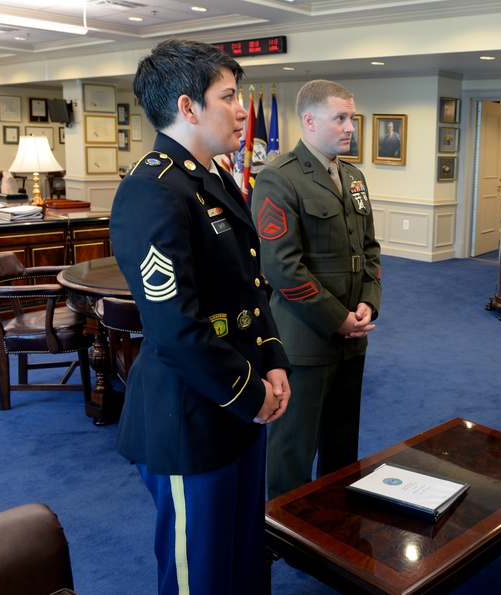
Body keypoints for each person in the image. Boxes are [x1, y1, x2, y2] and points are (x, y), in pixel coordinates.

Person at [110, 39, 292, 595]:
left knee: (242, 558)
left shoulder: (209, 178)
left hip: (239, 402)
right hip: (193, 413)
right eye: (230, 96)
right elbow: (176, 330)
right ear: (188, 107)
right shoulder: (153, 190)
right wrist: (249, 392)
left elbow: (249, 290)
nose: (243, 109)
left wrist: (274, 360)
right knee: (202, 574)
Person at [252, 79, 382, 500]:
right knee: (293, 448)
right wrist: (337, 319)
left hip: (352, 336)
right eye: (340, 118)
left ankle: (334, 524)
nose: (350, 127)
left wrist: (367, 305)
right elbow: (283, 268)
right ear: (309, 121)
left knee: (342, 445)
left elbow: (369, 250)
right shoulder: (278, 177)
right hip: (306, 338)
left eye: (352, 118)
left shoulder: (353, 176)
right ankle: (284, 533)